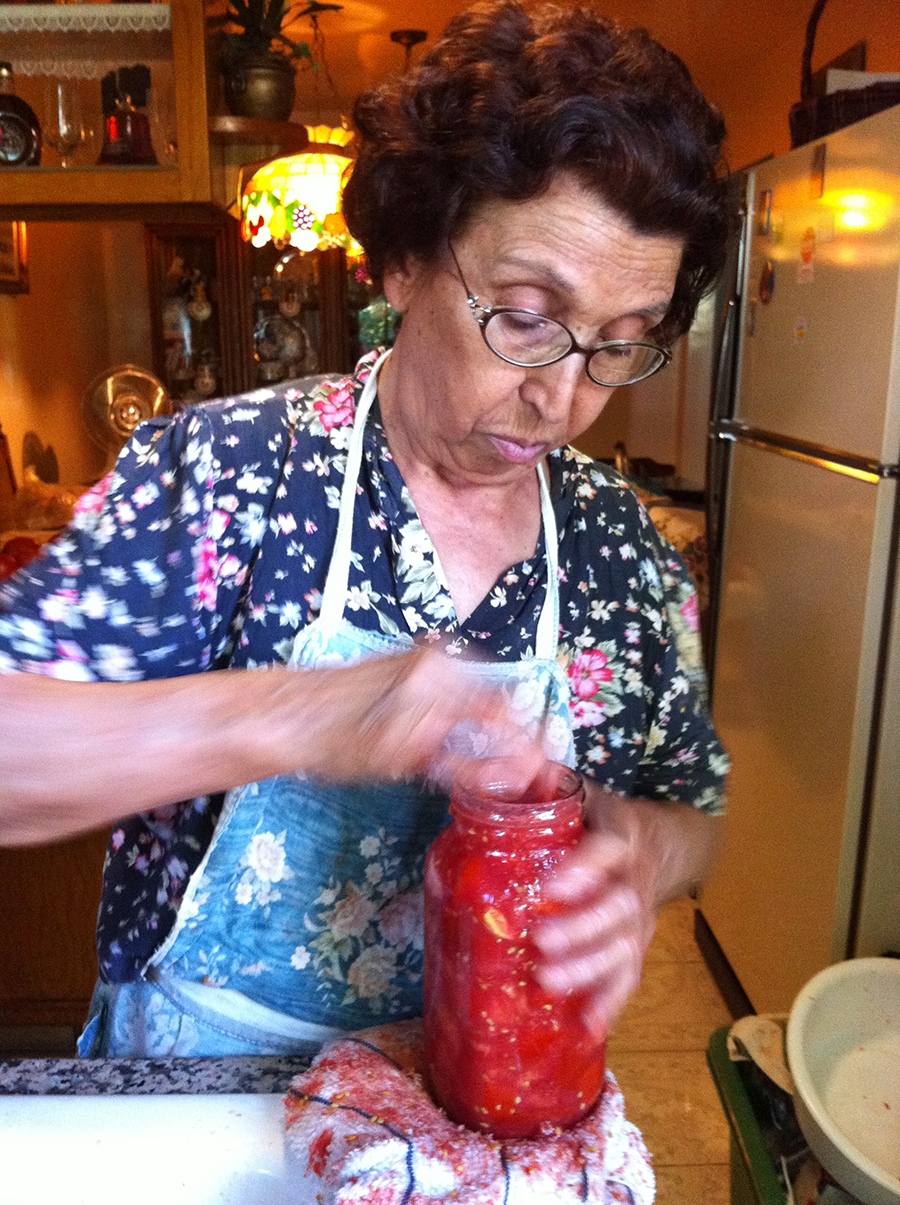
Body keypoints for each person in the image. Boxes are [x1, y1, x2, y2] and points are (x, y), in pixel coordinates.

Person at [0, 0, 731, 1059]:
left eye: (621, 343)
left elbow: (690, 807)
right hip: (204, 1093)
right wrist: (288, 714)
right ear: (402, 261)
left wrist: (645, 854)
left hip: (473, 1087)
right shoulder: (221, 476)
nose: (565, 399)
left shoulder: (625, 552)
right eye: (525, 316)